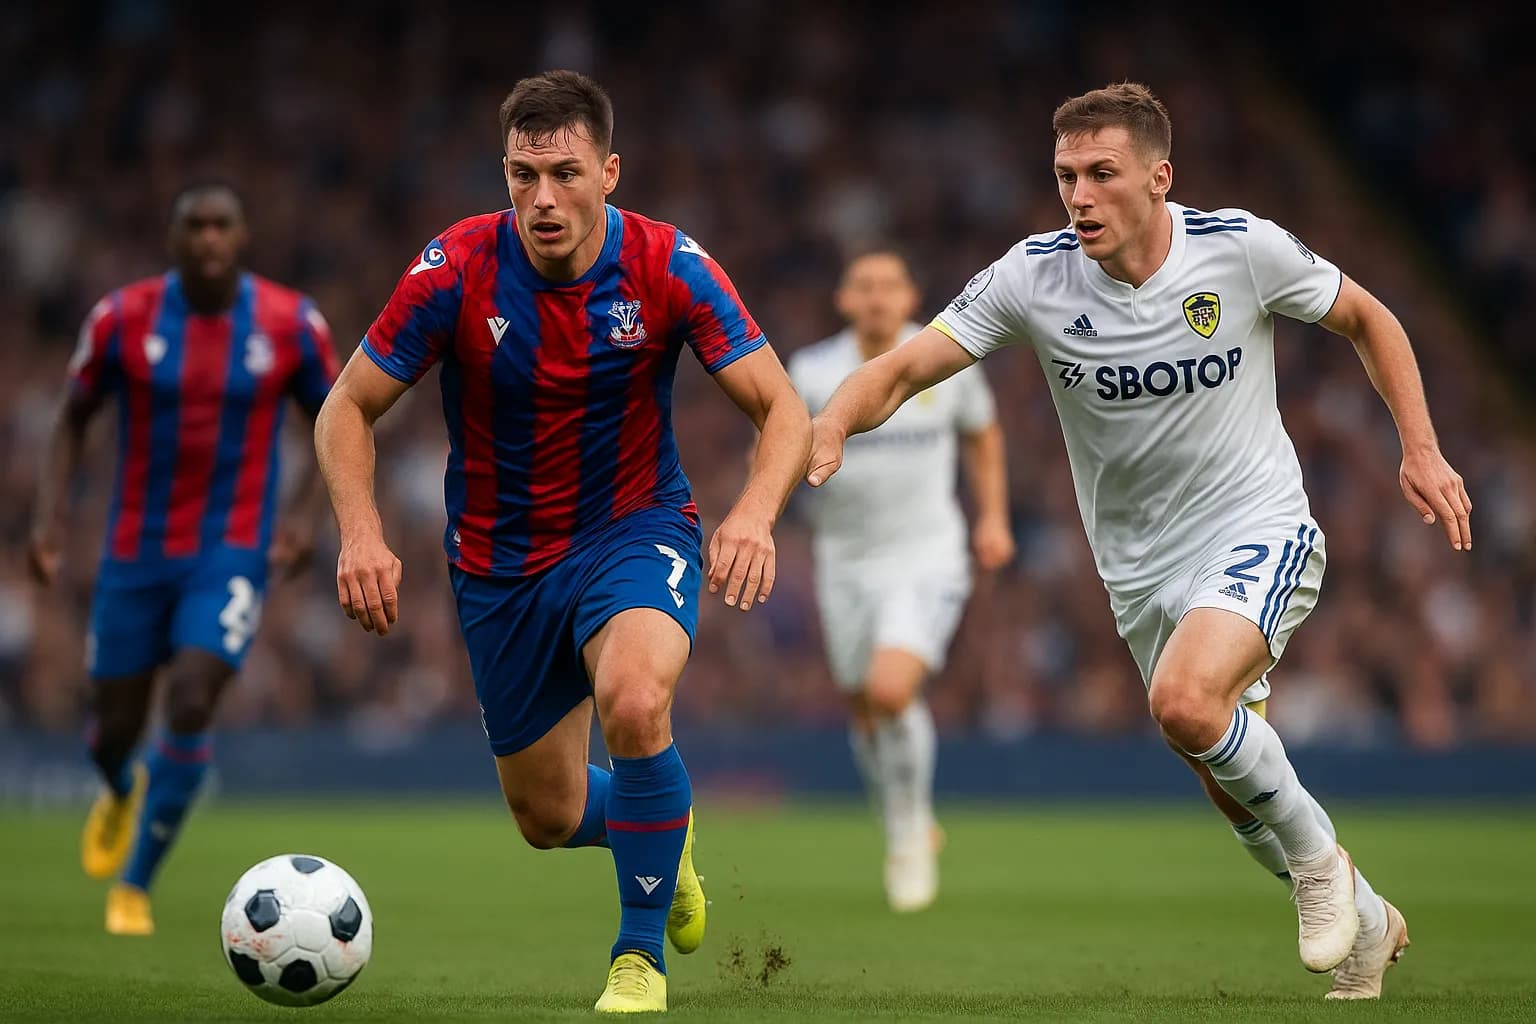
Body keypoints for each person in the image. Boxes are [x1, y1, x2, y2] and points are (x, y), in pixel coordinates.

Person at [807, 83, 1468, 1000]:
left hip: (1256, 523)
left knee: (1188, 705)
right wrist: (835, 422)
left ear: (1160, 178)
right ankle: (1367, 918)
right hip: (1138, 568)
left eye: (1101, 174)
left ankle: (1325, 872)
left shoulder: (1242, 249)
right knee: (1224, 775)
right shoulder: (1032, 276)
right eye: (1066, 175)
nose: (1078, 196)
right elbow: (905, 367)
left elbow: (1370, 318)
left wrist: (1421, 449)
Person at [313, 70, 810, 1014]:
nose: (544, 198)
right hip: (499, 563)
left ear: (609, 173)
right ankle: (666, 822)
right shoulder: (457, 266)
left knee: (634, 701)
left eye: (566, 174)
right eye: (523, 174)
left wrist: (751, 514)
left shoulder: (668, 264)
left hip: (634, 527)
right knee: (546, 818)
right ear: (504, 176)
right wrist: (360, 533)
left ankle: (638, 957)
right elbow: (347, 408)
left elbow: (780, 406)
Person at [29, 182, 339, 936]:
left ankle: (134, 883)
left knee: (194, 695)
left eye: (220, 225)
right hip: (133, 553)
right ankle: (117, 785)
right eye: (193, 225)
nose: (207, 238)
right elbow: (72, 419)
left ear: (242, 236)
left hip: (229, 551)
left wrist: (301, 518)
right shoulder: (122, 319)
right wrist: (48, 518)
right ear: (172, 239)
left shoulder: (290, 323)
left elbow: (338, 419)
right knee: (113, 727)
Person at [787, 250, 1014, 912]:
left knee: (890, 690)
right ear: (845, 299)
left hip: (926, 553)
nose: (879, 297)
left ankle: (911, 830)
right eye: (865, 285)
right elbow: (778, 445)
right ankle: (897, 821)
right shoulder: (813, 371)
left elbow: (983, 435)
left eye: (891, 285)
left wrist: (993, 518)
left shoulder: (941, 353)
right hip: (844, 558)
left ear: (911, 293)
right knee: (862, 705)